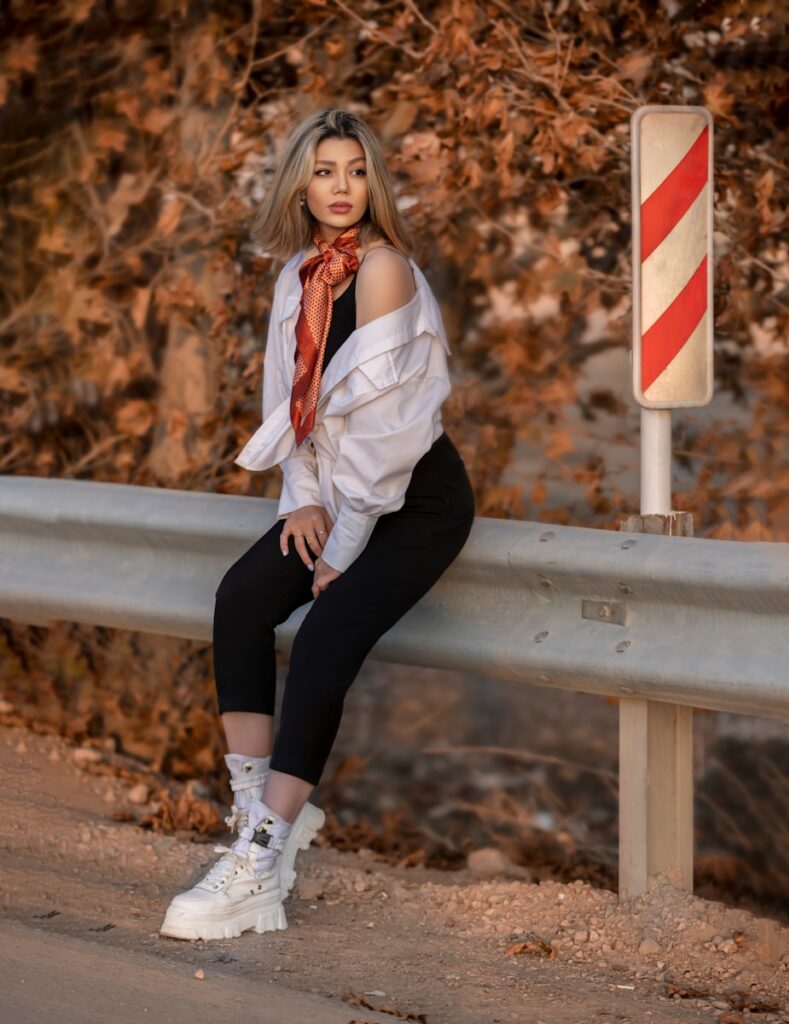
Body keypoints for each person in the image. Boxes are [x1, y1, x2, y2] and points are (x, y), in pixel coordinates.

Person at [160, 108, 475, 942]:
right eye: (324, 170)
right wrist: (300, 500)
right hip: (335, 492)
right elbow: (288, 408)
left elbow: (389, 436)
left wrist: (339, 546)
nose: (340, 187)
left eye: (356, 170)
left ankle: (257, 867)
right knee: (240, 600)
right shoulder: (298, 274)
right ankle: (261, 819)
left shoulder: (383, 272)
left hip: (412, 502)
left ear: (375, 181)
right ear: (301, 182)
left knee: (326, 633)